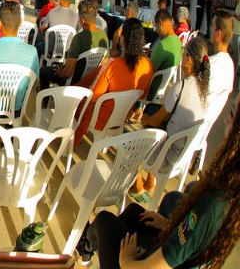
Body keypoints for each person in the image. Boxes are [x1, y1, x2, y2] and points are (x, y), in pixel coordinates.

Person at [76, 104, 240, 269]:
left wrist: (127, 260)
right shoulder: (230, 193)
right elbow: (194, 239)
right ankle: (88, 244)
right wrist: (168, 225)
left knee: (105, 221)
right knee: (135, 212)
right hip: (165, 250)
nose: (226, 120)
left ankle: (87, 245)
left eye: (232, 114)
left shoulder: (213, 205)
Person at [129, 35, 209, 200]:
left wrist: (144, 120)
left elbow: (156, 120)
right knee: (153, 110)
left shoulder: (181, 87)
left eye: (184, 53)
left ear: (189, 60)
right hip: (181, 154)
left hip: (166, 155)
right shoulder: (203, 90)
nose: (181, 56)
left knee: (133, 140)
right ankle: (150, 182)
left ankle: (138, 185)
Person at [75, 18, 153, 148]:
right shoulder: (148, 65)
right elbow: (143, 95)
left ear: (123, 39)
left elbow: (93, 96)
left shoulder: (112, 65)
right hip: (123, 116)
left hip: (101, 118)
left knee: (79, 96)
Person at [39, 0, 109, 89]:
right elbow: (104, 64)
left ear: (82, 20)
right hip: (90, 81)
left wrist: (60, 72)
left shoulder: (78, 38)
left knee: (43, 71)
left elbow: (67, 74)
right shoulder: (103, 36)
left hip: (73, 82)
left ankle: (45, 96)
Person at [206, 10, 235, 122]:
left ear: (218, 33)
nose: (210, 29)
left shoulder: (209, 65)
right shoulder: (230, 65)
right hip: (207, 123)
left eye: (212, 26)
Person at [148, 10, 182, 102]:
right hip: (163, 89)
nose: (157, 31)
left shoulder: (162, 45)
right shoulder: (178, 42)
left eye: (157, 27)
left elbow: (149, 71)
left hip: (151, 90)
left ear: (160, 22)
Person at [231, 0, 240, 70]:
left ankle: (235, 69)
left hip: (238, 32)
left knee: (236, 52)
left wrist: (234, 16)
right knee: (235, 51)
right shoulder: (238, 4)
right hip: (235, 30)